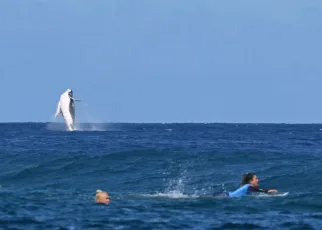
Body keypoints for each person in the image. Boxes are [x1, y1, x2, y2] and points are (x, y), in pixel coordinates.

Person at [213, 173, 278, 197]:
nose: (258, 180)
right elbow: (256, 190)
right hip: (224, 195)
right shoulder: (248, 187)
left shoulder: (247, 186)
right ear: (251, 181)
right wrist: (267, 191)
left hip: (226, 194)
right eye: (256, 178)